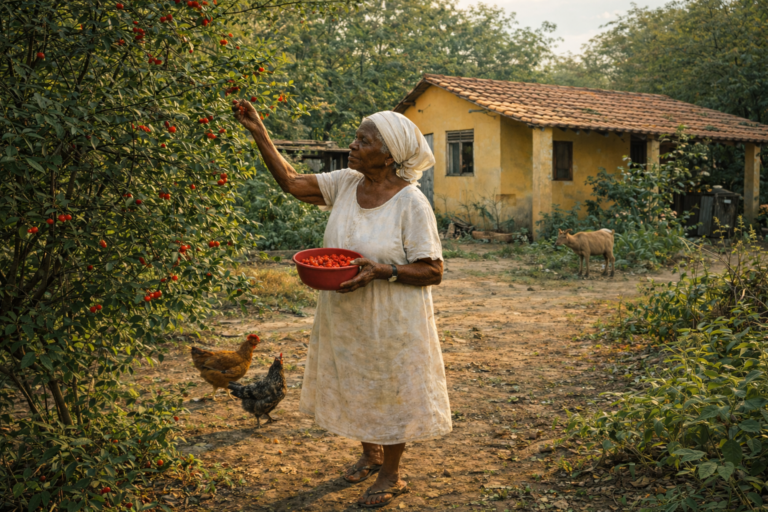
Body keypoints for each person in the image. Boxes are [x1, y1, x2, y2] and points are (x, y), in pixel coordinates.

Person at [232, 100, 452, 508]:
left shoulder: (411, 203)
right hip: (346, 312)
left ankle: (392, 473)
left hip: (392, 318)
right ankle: (370, 456)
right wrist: (259, 131)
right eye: (356, 136)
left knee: (391, 389)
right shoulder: (347, 183)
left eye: (363, 140)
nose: (352, 145)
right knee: (358, 381)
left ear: (388, 154)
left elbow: (434, 270)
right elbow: (293, 182)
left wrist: (383, 271)